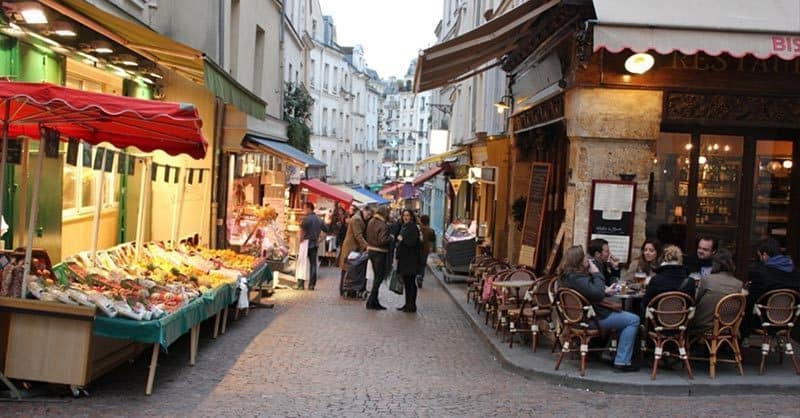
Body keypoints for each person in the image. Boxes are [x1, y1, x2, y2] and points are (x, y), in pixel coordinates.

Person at [559, 245, 640, 372]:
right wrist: (596, 272)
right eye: (585, 256)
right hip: (591, 319)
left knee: (624, 318)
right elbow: (596, 293)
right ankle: (623, 361)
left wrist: (606, 291)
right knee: (633, 319)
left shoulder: (568, 277)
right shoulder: (578, 278)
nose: (587, 259)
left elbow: (590, 293)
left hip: (578, 319)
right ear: (579, 260)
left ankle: (611, 354)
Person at [743, 238, 800, 336]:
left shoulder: (760, 273)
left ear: (764, 255)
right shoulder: (797, 272)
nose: (759, 259)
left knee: (744, 306)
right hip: (790, 321)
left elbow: (752, 299)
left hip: (763, 321)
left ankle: (739, 340)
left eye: (759, 256)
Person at [689, 248, 743, 333]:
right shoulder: (738, 284)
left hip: (705, 324)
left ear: (714, 264)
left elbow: (695, 301)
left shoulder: (707, 280)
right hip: (728, 326)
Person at [338, 205, 372, 295]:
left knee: (348, 268)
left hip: (352, 247)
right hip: (351, 248)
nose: (368, 217)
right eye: (368, 214)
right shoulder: (357, 219)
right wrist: (366, 246)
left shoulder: (358, 218)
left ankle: (346, 289)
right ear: (364, 210)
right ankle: (344, 289)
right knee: (347, 268)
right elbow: (358, 235)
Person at [395, 209, 423, 313]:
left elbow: (412, 242)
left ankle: (411, 305)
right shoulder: (405, 226)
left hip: (410, 260)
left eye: (408, 215)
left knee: (410, 283)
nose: (406, 217)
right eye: (404, 215)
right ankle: (408, 304)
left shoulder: (412, 227)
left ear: (411, 216)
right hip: (405, 259)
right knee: (407, 283)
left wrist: (401, 239)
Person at [365, 206, 392, 310]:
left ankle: (375, 302)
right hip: (380, 253)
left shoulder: (371, 221)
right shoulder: (383, 225)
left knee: (377, 276)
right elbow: (382, 240)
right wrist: (391, 238)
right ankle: (371, 301)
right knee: (379, 278)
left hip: (371, 251)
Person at [298, 202, 327, 290]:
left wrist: (301, 239)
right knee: (313, 264)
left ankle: (300, 284)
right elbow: (326, 230)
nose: (303, 210)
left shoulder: (306, 219)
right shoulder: (319, 219)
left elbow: (302, 231)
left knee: (302, 263)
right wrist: (320, 239)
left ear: (309, 208)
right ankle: (311, 285)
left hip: (306, 243)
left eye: (304, 208)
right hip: (314, 243)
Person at [417, 214, 436, 288]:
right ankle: (420, 277)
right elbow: (432, 241)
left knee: (417, 263)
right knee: (423, 264)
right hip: (425, 250)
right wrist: (430, 248)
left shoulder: (418, 229)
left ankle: (418, 275)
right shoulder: (431, 230)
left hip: (417, 249)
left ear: (421, 221)